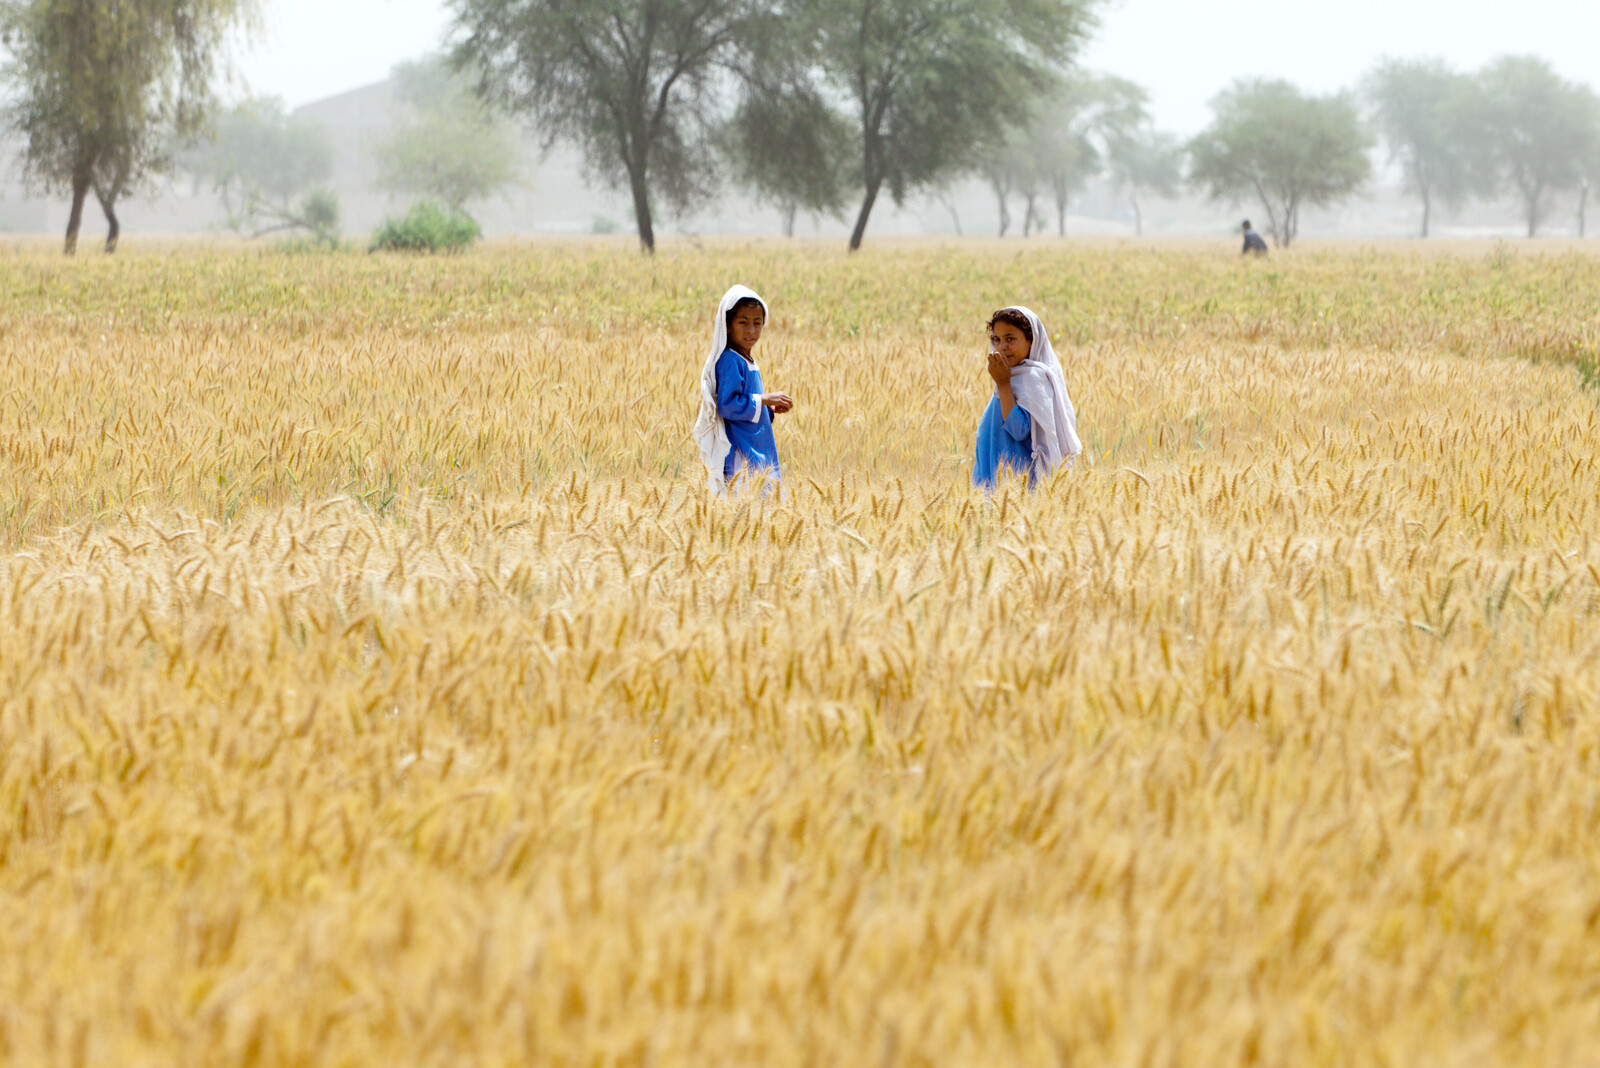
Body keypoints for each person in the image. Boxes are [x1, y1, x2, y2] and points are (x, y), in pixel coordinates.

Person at [693, 285, 794, 494]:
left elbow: (748, 403)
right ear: (727, 325)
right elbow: (727, 405)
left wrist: (769, 410)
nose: (751, 330)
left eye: (757, 323)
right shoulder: (730, 360)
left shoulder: (746, 359)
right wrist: (764, 399)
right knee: (749, 503)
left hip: (758, 445)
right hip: (743, 451)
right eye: (743, 322)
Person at [972, 306, 1082, 490]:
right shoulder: (1008, 376)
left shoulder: (1033, 378)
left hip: (1016, 487)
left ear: (1031, 341)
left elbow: (1018, 429)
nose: (1002, 346)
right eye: (996, 340)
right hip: (991, 484)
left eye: (1010, 339)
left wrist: (1003, 384)